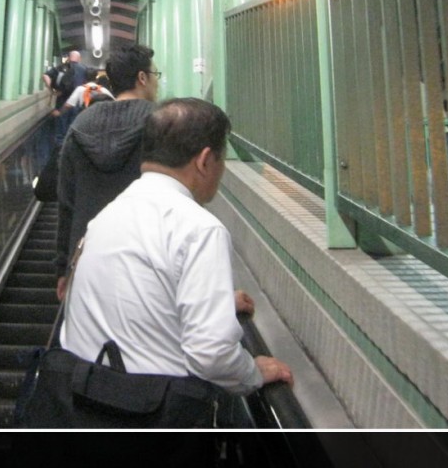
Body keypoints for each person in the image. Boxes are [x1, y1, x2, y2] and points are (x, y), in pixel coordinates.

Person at [59, 98, 294, 420]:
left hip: (82, 404)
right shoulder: (199, 229)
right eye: (222, 159)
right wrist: (251, 372)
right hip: (149, 418)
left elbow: (138, 291)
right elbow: (211, 355)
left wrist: (215, 303)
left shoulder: (108, 214)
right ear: (205, 160)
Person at [55, 44, 159, 299]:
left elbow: (66, 203)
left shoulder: (80, 125)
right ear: (142, 78)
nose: (158, 83)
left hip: (87, 260)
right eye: (156, 75)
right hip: (149, 265)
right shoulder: (163, 124)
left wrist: (63, 268)